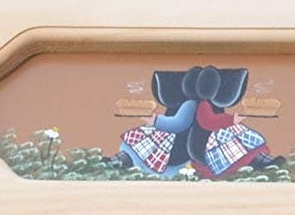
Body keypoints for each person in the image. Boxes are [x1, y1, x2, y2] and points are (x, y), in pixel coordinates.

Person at [114, 66, 278, 179]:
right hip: (176, 139)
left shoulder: (203, 104)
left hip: (201, 141)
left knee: (239, 140)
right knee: (142, 145)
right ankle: (122, 159)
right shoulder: (193, 105)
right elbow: (185, 123)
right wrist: (156, 121)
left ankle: (258, 160)